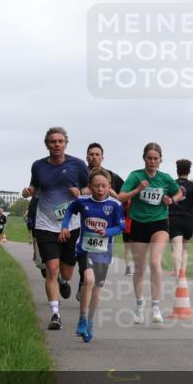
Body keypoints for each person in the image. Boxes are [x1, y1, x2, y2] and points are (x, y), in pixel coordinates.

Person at [22, 126, 89, 331]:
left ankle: (63, 279)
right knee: (51, 268)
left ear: (65, 144)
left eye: (60, 141)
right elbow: (35, 187)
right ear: (47, 144)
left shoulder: (78, 165)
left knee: (66, 273)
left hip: (71, 224)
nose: (57, 145)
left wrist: (80, 191)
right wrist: (28, 191)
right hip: (45, 223)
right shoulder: (38, 166)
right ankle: (55, 313)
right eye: (53, 141)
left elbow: (89, 188)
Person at [118, 142, 183, 324]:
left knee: (155, 262)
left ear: (161, 159)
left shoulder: (165, 178)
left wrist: (171, 200)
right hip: (138, 224)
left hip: (159, 223)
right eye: (149, 158)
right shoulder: (135, 175)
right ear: (144, 158)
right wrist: (138, 190)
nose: (152, 161)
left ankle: (155, 306)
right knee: (140, 267)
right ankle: (139, 304)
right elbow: (120, 196)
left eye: (156, 158)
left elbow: (178, 194)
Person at [60, 168, 125, 343]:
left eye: (104, 186)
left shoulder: (115, 205)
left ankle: (89, 321)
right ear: (90, 186)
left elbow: (121, 227)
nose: (100, 189)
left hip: (104, 253)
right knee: (88, 280)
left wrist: (107, 231)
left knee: (97, 290)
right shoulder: (82, 201)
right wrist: (64, 226)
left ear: (109, 186)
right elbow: (69, 211)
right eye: (96, 186)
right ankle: (81, 320)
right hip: (85, 249)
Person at [82, 142, 124, 301]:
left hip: (103, 223)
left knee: (99, 260)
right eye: (91, 154)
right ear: (87, 157)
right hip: (82, 220)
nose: (94, 157)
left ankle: (90, 283)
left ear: (102, 157)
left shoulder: (112, 176)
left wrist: (109, 191)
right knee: (83, 253)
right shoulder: (80, 173)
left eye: (97, 154)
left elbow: (121, 195)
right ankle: (84, 281)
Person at [169, 159, 193, 277]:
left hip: (173, 218)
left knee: (176, 248)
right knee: (185, 248)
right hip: (188, 219)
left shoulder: (171, 184)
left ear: (177, 170)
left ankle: (177, 271)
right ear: (189, 171)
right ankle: (182, 271)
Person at [26, 196, 46, 277]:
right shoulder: (34, 199)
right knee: (36, 240)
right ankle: (36, 253)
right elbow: (30, 212)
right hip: (37, 224)